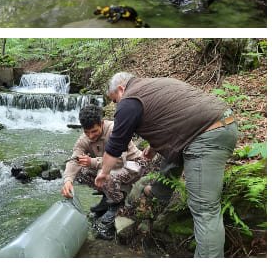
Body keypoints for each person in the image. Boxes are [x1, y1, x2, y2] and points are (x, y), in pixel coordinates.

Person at [96, 72, 238, 257]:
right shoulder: (152, 85)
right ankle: (159, 193)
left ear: (121, 89)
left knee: (205, 210)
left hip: (208, 135)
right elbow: (174, 118)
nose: (116, 105)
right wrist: (154, 148)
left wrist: (104, 173)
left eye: (114, 100)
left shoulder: (129, 100)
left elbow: (116, 145)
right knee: (172, 155)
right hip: (218, 124)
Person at [61, 104, 148, 240]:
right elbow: (74, 160)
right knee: (80, 172)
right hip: (113, 167)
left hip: (135, 164)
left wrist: (93, 162)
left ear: (101, 123)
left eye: (94, 131)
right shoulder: (84, 139)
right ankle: (107, 197)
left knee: (107, 175)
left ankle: (116, 204)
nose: (91, 136)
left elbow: (119, 160)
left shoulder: (115, 130)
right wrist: (67, 180)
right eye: (87, 132)